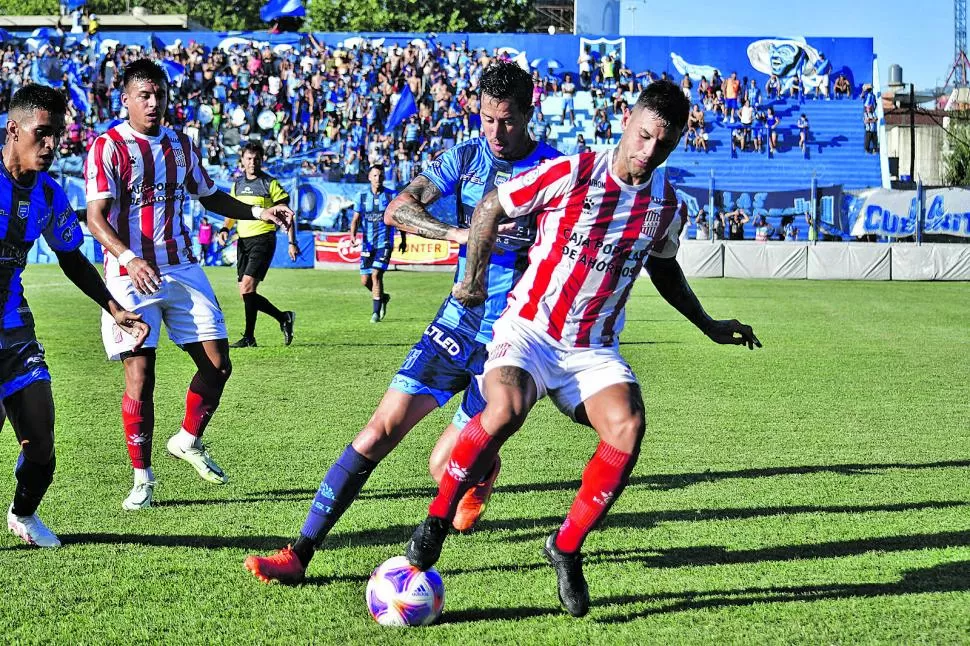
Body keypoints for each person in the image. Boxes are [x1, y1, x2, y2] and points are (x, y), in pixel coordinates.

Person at [402, 80, 761, 618]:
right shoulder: (572, 171)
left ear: (676, 143)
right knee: (504, 409)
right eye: (642, 136)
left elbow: (663, 268)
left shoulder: (664, 205)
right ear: (625, 120)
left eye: (662, 145)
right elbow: (492, 205)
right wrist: (472, 280)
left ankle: (566, 547)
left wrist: (707, 324)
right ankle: (437, 518)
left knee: (628, 426)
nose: (647, 152)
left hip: (591, 348)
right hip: (527, 328)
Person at [243, 61, 561, 584]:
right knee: (379, 429)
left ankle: (480, 470)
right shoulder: (465, 156)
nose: (495, 133)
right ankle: (300, 552)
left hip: (514, 335)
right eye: (486, 120)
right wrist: (460, 236)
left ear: (529, 113)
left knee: (445, 469)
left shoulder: (554, 170)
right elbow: (399, 208)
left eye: (506, 121)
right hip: (457, 320)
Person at [85, 59, 292, 510]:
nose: (154, 103)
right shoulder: (108, 146)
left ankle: (187, 440)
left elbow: (210, 195)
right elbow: (96, 218)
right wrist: (128, 256)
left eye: (159, 94)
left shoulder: (180, 144)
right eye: (144, 95)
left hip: (180, 268)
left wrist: (259, 212)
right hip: (128, 272)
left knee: (218, 365)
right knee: (141, 375)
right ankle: (142, 477)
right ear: (126, 100)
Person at [0, 85, 149, 548]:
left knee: (41, 441)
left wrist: (116, 307)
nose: (50, 146)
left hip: (14, 328)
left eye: (57, 136)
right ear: (13, 129)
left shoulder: (48, 192)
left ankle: (23, 514)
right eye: (41, 134)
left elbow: (72, 258)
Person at [219, 141, 296, 348]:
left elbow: (287, 213)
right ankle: (280, 319)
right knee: (246, 293)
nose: (252, 162)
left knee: (247, 287)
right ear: (242, 161)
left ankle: (250, 335)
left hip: (263, 239)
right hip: (243, 242)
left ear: (262, 160)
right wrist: (225, 228)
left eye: (256, 159)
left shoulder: (269, 184)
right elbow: (231, 212)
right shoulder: (237, 185)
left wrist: (291, 241)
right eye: (249, 158)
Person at [349, 164, 406, 323]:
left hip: (385, 243)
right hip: (368, 244)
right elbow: (356, 219)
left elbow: (399, 220)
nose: (378, 179)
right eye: (375, 176)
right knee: (365, 280)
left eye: (380, 176)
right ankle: (382, 297)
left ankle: (375, 314)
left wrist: (403, 240)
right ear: (369, 177)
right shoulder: (361, 196)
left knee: (376, 274)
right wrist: (352, 235)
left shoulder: (391, 196)